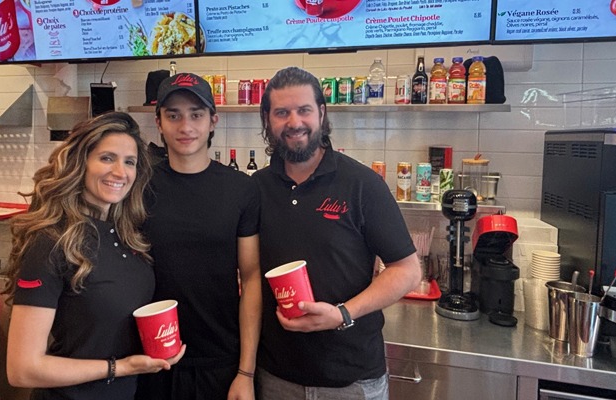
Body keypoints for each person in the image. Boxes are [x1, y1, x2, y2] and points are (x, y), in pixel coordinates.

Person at [252, 67, 421, 400]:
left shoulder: (361, 184)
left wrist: (342, 314)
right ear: (267, 120)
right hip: (275, 377)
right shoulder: (255, 189)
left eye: (304, 110)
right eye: (282, 112)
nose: (294, 122)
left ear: (322, 113)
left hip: (352, 380)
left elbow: (408, 270)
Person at [4, 112, 185, 400]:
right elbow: (22, 368)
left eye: (129, 162)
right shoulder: (52, 241)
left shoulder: (127, 235)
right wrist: (120, 368)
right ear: (81, 163)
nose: (120, 172)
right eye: (106, 158)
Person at [135, 73, 262, 400]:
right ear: (159, 123)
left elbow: (251, 280)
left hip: (220, 360)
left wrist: (245, 372)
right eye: (173, 115)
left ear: (212, 121)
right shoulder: (137, 189)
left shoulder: (241, 190)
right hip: (151, 358)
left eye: (196, 114)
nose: (185, 126)